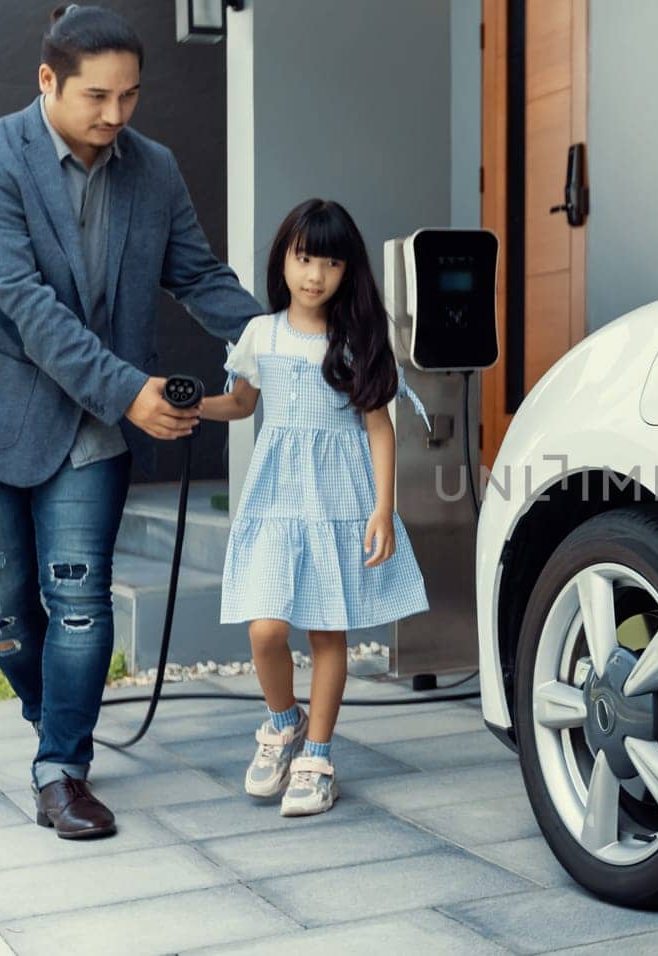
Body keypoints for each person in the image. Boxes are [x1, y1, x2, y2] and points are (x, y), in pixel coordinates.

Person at [0, 5, 265, 839]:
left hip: (91, 428)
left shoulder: (153, 169)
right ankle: (56, 725)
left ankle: (60, 768)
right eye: (96, 98)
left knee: (78, 602)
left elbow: (198, 275)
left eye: (130, 96)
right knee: (6, 617)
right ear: (47, 81)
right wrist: (129, 391)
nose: (115, 116)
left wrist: (282, 344)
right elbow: (26, 310)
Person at [199, 199, 429, 817]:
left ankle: (318, 757)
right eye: (305, 258)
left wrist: (383, 509)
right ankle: (283, 723)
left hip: (340, 498)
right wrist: (193, 404)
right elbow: (242, 404)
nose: (315, 275)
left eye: (330, 262)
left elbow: (379, 429)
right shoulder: (261, 334)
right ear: (285, 258)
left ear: (347, 271)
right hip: (277, 496)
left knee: (330, 632)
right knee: (266, 627)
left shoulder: (355, 341)